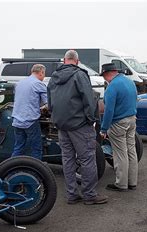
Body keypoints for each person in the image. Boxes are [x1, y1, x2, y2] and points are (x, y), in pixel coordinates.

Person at [48, 50, 108, 205]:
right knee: (87, 159)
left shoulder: (53, 77)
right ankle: (89, 194)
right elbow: (89, 100)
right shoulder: (80, 75)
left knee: (67, 160)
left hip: (61, 124)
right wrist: (91, 120)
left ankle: (72, 194)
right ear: (77, 60)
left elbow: (50, 102)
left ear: (64, 60)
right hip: (79, 124)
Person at [100, 63, 138, 192]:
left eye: (104, 76)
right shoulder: (130, 82)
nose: (105, 79)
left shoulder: (112, 87)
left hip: (118, 123)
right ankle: (132, 182)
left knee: (120, 153)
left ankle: (121, 183)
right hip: (132, 119)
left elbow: (108, 110)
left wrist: (103, 129)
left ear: (107, 73)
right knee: (131, 151)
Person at [11, 64, 48, 160]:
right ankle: (35, 172)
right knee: (36, 149)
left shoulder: (19, 83)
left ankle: (12, 170)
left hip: (16, 120)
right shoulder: (38, 84)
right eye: (44, 74)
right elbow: (48, 104)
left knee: (18, 148)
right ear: (41, 72)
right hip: (30, 121)